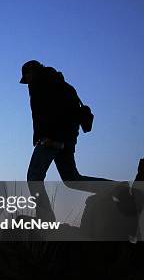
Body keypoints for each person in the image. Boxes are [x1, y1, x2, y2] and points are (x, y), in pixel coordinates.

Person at [20, 60, 110, 222]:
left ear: (32, 71)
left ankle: (46, 220)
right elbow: (70, 114)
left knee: (34, 177)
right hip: (66, 139)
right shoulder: (62, 84)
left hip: (52, 138)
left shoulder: (41, 83)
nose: (26, 81)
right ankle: (117, 188)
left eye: (26, 77)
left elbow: (47, 114)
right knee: (72, 179)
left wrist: (50, 139)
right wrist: (65, 141)